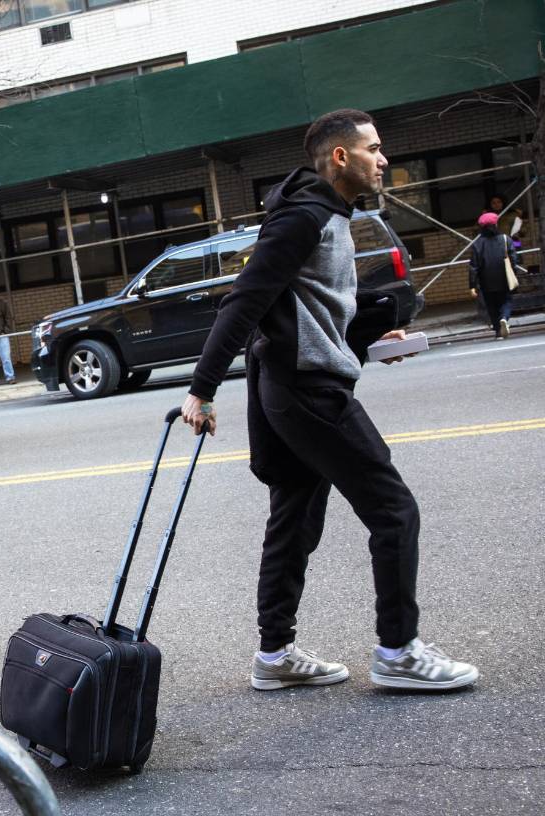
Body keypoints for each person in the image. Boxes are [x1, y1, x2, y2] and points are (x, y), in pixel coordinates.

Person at [181, 108, 479, 693]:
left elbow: (314, 309)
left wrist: (373, 335)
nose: (383, 159)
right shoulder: (305, 217)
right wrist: (202, 389)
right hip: (307, 390)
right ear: (340, 157)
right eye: (374, 149)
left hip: (294, 381)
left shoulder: (333, 216)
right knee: (394, 511)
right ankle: (399, 651)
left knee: (294, 517)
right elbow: (243, 302)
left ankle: (275, 654)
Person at [470, 211, 519, 339]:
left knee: (491, 306)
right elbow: (514, 258)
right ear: (496, 224)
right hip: (504, 277)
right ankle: (504, 318)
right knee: (506, 300)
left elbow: (473, 266)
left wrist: (472, 285)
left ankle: (498, 332)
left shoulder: (477, 244)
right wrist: (514, 273)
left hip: (486, 281)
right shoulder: (505, 239)